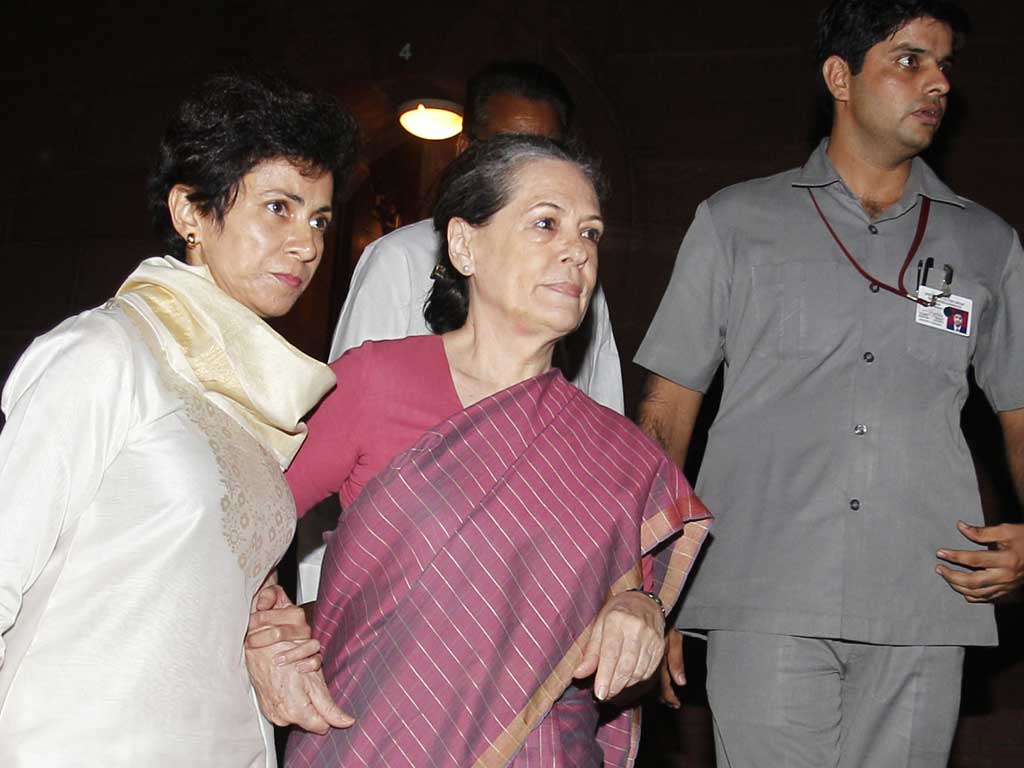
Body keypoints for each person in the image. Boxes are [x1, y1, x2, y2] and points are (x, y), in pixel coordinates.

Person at [635, 1, 1024, 766]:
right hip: (764, 589)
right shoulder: (735, 221)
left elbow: (1019, 415)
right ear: (840, 77)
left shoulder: (987, 242)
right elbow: (665, 411)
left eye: (945, 67)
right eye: (911, 60)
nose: (937, 83)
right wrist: (650, 583)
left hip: (927, 596)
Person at [278, 135, 711, 767]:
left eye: (590, 235)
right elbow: (237, 521)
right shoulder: (375, 383)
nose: (576, 252)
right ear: (464, 245)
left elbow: (633, 606)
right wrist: (267, 628)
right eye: (545, 223)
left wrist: (641, 609)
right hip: (370, 740)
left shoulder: (614, 450)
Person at [0, 73, 359, 765]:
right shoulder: (105, 353)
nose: (308, 244)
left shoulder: (255, 403)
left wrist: (266, 624)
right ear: (191, 212)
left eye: (318, 219)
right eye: (279, 207)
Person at [296, 59, 625, 604]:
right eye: (505, 146)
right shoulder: (397, 265)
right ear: (469, 148)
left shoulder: (578, 289)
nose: (573, 248)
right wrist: (317, 606)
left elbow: (608, 459)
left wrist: (628, 598)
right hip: (393, 604)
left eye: (589, 232)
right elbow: (331, 458)